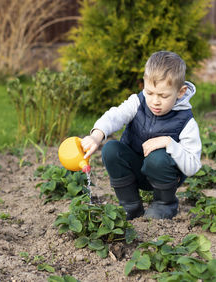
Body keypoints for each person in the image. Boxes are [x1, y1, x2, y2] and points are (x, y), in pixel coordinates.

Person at [81, 51, 202, 220]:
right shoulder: (138, 102)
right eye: (150, 92)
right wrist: (96, 135)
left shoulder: (186, 122)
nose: (155, 101)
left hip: (164, 176)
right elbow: (115, 115)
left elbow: (193, 166)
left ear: (181, 92)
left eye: (163, 95)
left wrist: (169, 143)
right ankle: (131, 206)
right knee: (110, 149)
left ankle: (164, 205)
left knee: (157, 157)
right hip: (135, 171)